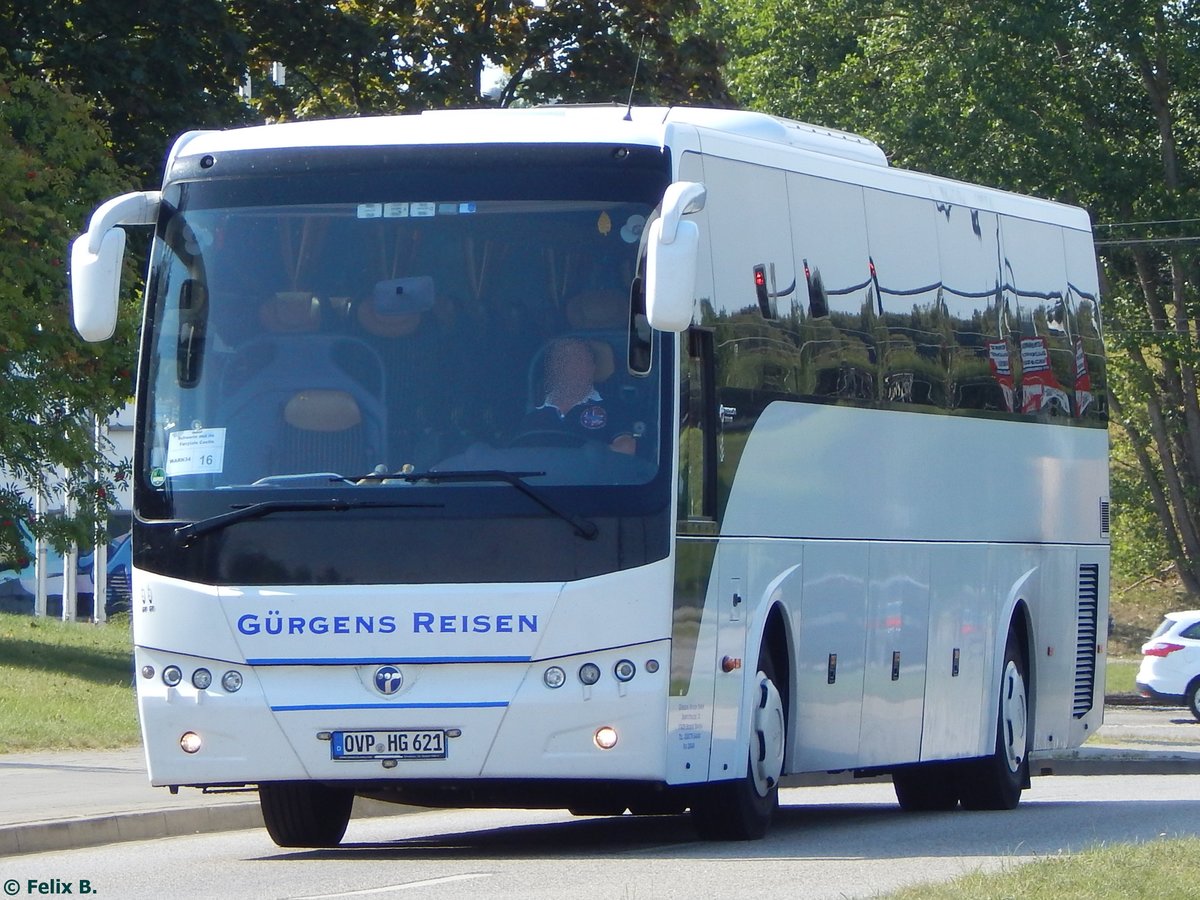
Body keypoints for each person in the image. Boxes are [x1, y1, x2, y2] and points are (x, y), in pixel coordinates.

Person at [521, 337, 637, 454]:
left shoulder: (613, 407)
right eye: (564, 361)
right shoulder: (533, 415)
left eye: (580, 360)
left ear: (592, 367)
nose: (571, 368)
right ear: (553, 369)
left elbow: (627, 448)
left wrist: (593, 454)